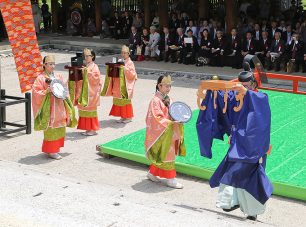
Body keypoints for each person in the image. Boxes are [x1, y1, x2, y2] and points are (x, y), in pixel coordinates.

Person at [196, 71, 273, 221]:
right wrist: (214, 91)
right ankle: (228, 202)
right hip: (238, 143)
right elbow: (223, 101)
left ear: (253, 84)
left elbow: (261, 118)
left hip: (254, 146)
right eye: (242, 85)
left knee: (252, 176)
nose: (244, 87)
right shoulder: (236, 96)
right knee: (231, 171)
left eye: (247, 85)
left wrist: (247, 93)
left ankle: (252, 211)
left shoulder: (261, 98)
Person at [145, 75, 186, 189]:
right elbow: (156, 117)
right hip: (163, 131)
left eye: (170, 86)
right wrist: (170, 122)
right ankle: (170, 179)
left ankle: (152, 173)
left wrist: (180, 117)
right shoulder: (155, 101)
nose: (169, 88)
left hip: (169, 130)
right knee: (168, 153)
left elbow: (174, 111)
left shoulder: (168, 98)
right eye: (166, 86)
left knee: (163, 154)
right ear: (159, 86)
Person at [32, 55, 77, 160]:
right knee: (51, 128)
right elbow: (35, 92)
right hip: (49, 107)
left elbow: (63, 88)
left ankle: (53, 149)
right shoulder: (40, 78)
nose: (52, 66)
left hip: (59, 105)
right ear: (44, 65)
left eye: (53, 64)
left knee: (60, 126)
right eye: (50, 64)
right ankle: (52, 151)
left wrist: (67, 84)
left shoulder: (58, 76)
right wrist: (46, 91)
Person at [102, 45, 137, 123]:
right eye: (122, 53)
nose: (123, 54)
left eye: (125, 53)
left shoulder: (130, 62)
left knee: (125, 100)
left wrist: (124, 68)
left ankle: (128, 117)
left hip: (125, 84)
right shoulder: (120, 60)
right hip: (118, 83)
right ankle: (123, 116)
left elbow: (133, 74)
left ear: (128, 54)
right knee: (119, 99)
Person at [76, 49, 102, 136]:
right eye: (85, 56)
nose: (86, 58)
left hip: (91, 93)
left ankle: (92, 129)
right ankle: (88, 129)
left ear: (93, 56)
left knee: (90, 111)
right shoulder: (86, 66)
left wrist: (87, 72)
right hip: (85, 91)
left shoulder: (95, 67)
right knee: (84, 110)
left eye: (88, 56)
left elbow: (96, 78)